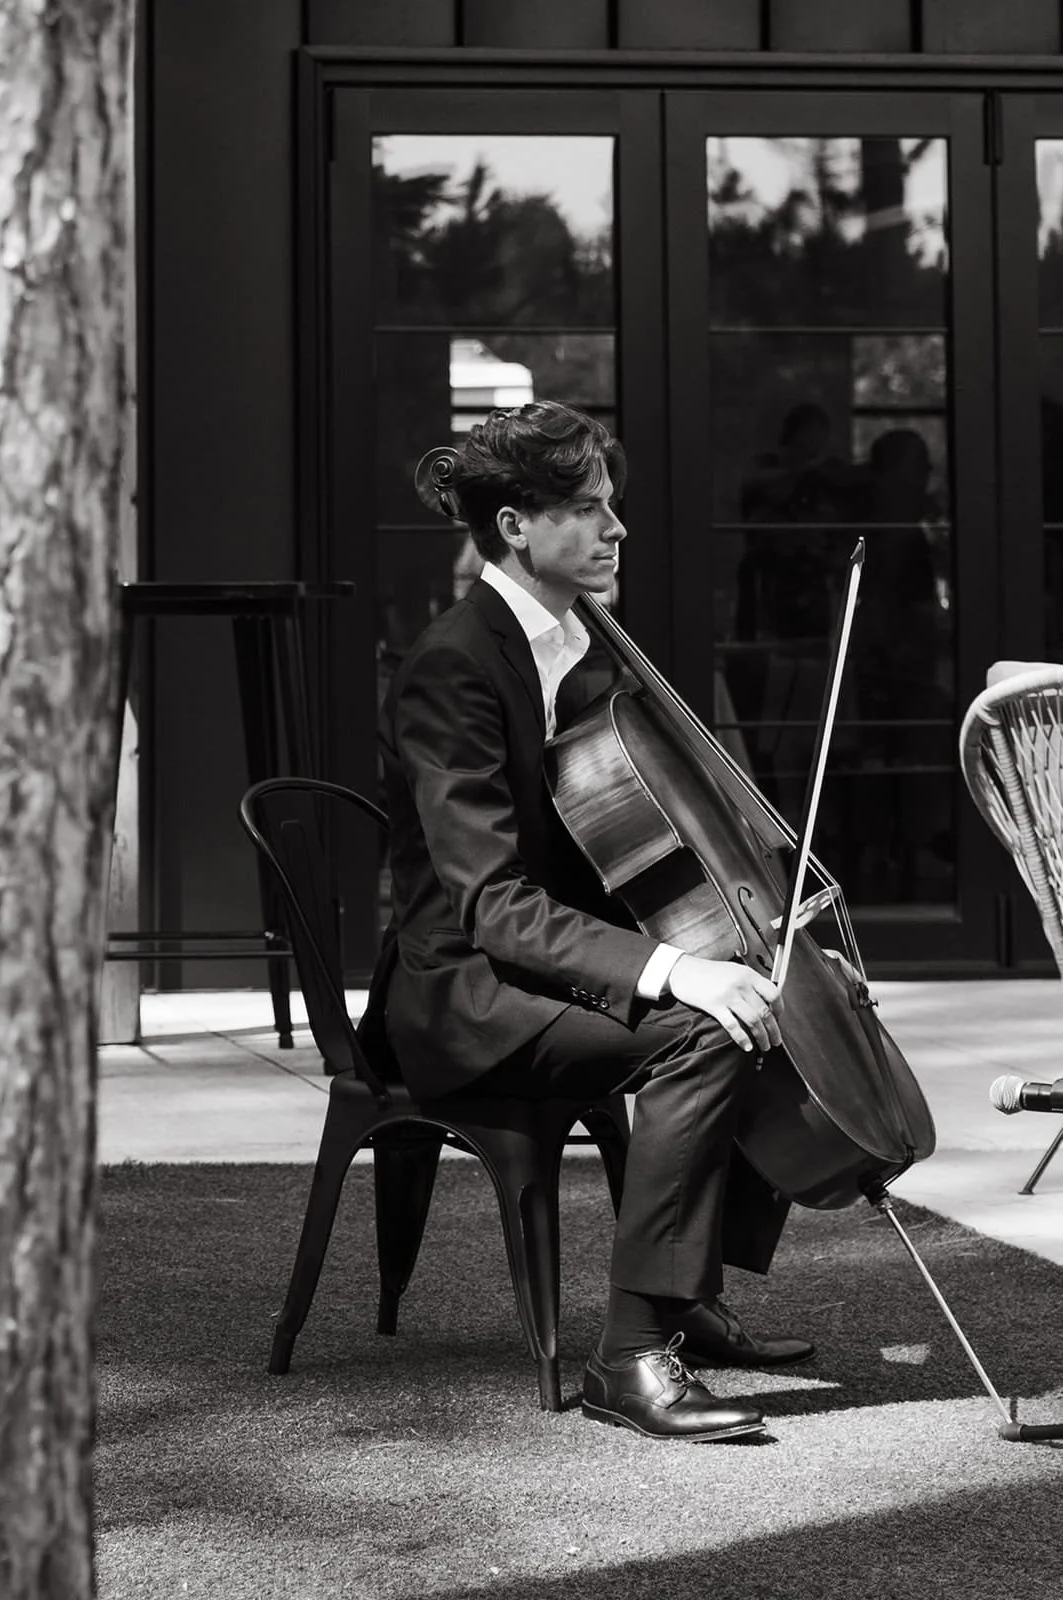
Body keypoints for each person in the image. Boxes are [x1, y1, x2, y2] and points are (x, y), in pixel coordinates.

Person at [371, 400, 814, 1443]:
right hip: (465, 992)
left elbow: (619, 836)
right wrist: (673, 970)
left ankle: (684, 1291)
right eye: (585, 509)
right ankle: (630, 1355)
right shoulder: (453, 664)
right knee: (705, 1026)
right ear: (516, 525)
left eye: (611, 507)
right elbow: (491, 904)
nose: (614, 529)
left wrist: (740, 926)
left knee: (759, 991)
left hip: (544, 967)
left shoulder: (586, 645)